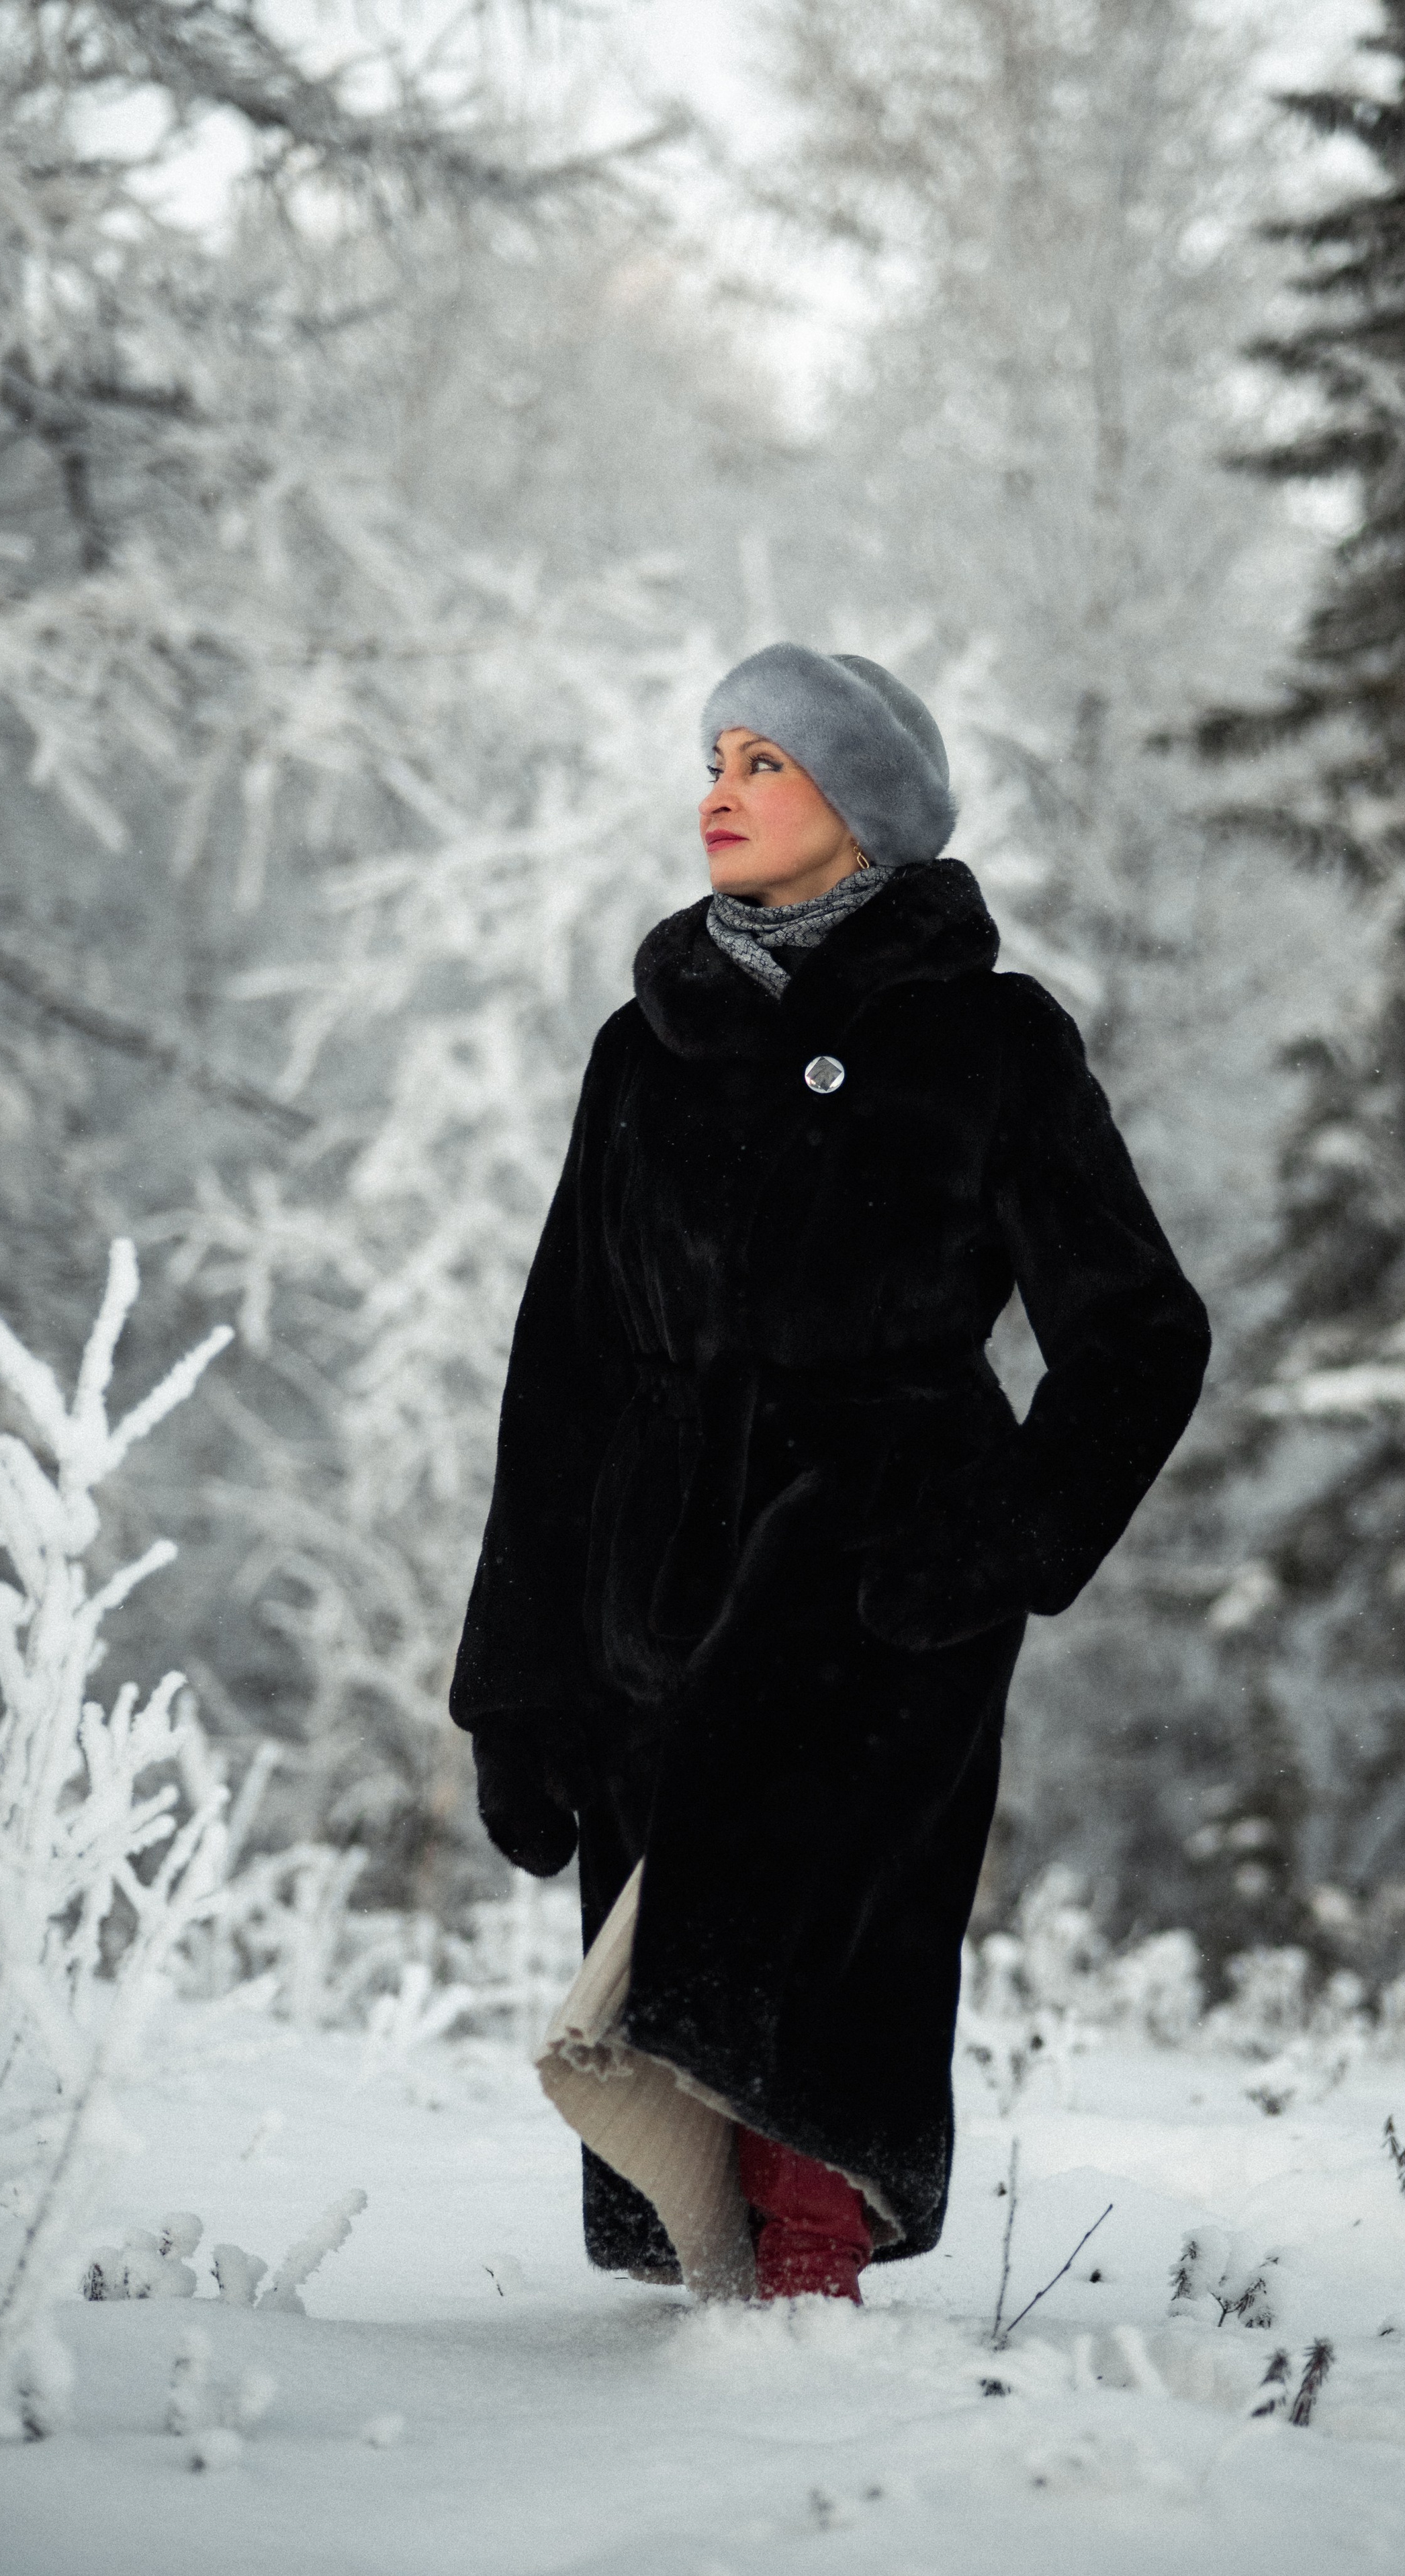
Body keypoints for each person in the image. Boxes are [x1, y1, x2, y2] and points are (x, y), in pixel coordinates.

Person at [451, 644, 1210, 2305]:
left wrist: (994, 1539)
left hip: (883, 1587)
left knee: (815, 1975)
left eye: (765, 760)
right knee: (676, 2005)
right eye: (713, 753)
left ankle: (814, 2332)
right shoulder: (640, 1051)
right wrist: (521, 1686)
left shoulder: (988, 1043)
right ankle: (727, 2358)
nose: (716, 787)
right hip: (655, 1585)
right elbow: (560, 1372)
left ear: (861, 813)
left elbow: (1138, 1331)